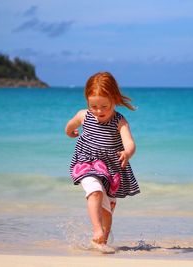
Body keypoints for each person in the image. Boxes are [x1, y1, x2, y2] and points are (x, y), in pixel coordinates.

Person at [65, 71, 140, 253]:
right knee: (95, 192)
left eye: (104, 106)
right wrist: (70, 132)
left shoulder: (119, 121)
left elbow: (130, 142)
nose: (99, 111)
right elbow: (70, 125)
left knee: (108, 209)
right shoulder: (84, 115)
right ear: (87, 102)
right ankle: (96, 229)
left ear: (114, 99)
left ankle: (101, 243)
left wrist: (127, 152)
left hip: (111, 170)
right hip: (87, 163)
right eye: (94, 106)